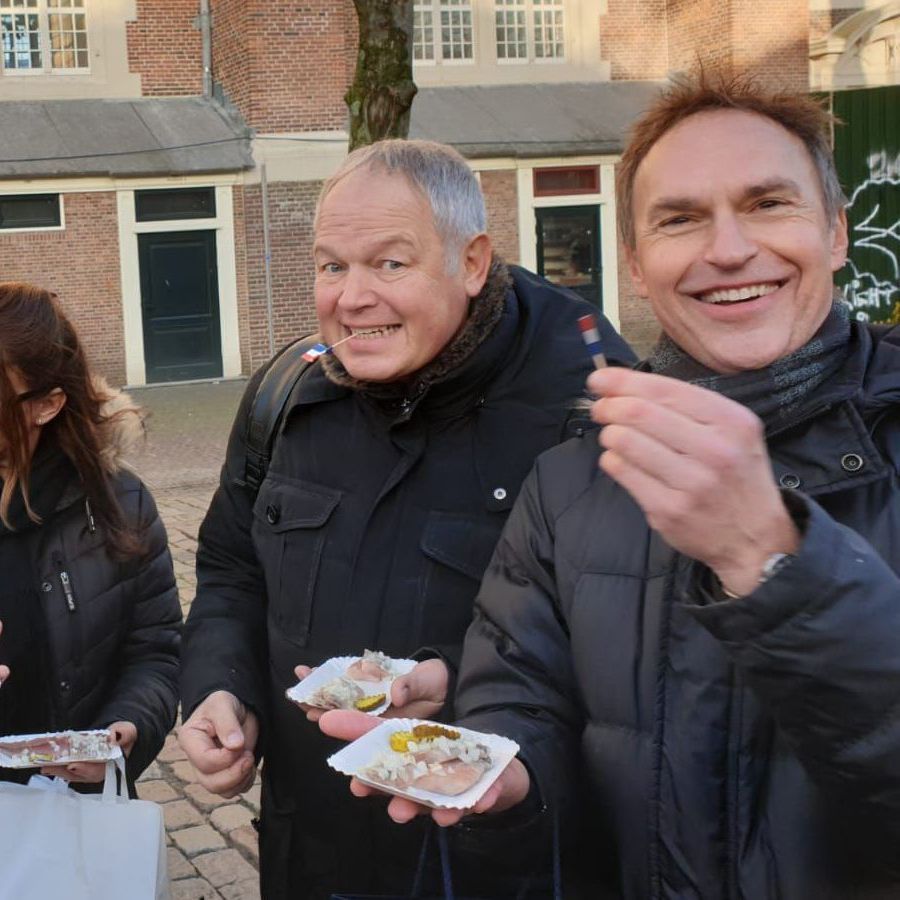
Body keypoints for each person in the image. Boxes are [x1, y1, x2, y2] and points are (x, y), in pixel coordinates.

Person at [321, 76, 900, 898]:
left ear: (836, 232)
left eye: (769, 203)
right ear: (635, 259)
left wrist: (773, 561)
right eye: (680, 218)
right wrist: (508, 776)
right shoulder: (573, 475)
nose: (728, 249)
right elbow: (518, 687)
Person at [178, 139, 634, 898]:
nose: (352, 298)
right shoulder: (287, 397)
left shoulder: (589, 409)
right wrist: (222, 686)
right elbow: (231, 567)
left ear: (473, 261)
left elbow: (628, 646)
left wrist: (457, 683)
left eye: (390, 264)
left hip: (494, 865)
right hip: (312, 853)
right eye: (332, 265)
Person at [0, 282, 181, 789]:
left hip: (75, 816)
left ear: (46, 404)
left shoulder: (120, 505)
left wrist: (128, 730)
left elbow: (155, 651)